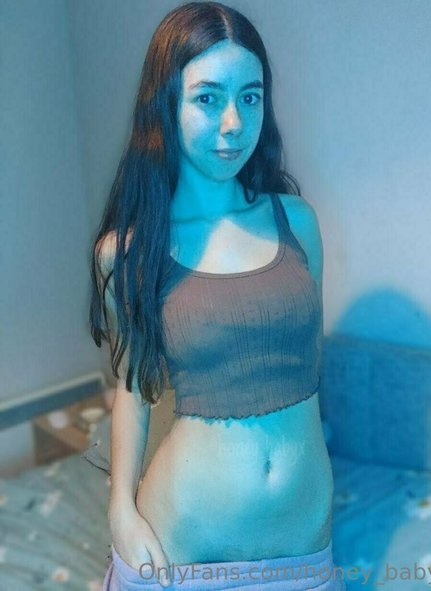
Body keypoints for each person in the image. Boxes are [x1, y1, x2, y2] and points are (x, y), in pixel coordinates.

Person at [87, 2, 346, 589]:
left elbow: (305, 365)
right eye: (208, 98)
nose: (234, 122)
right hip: (180, 553)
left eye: (251, 97)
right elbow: (132, 389)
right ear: (165, 104)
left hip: (304, 552)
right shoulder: (126, 253)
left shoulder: (297, 222)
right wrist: (121, 511)